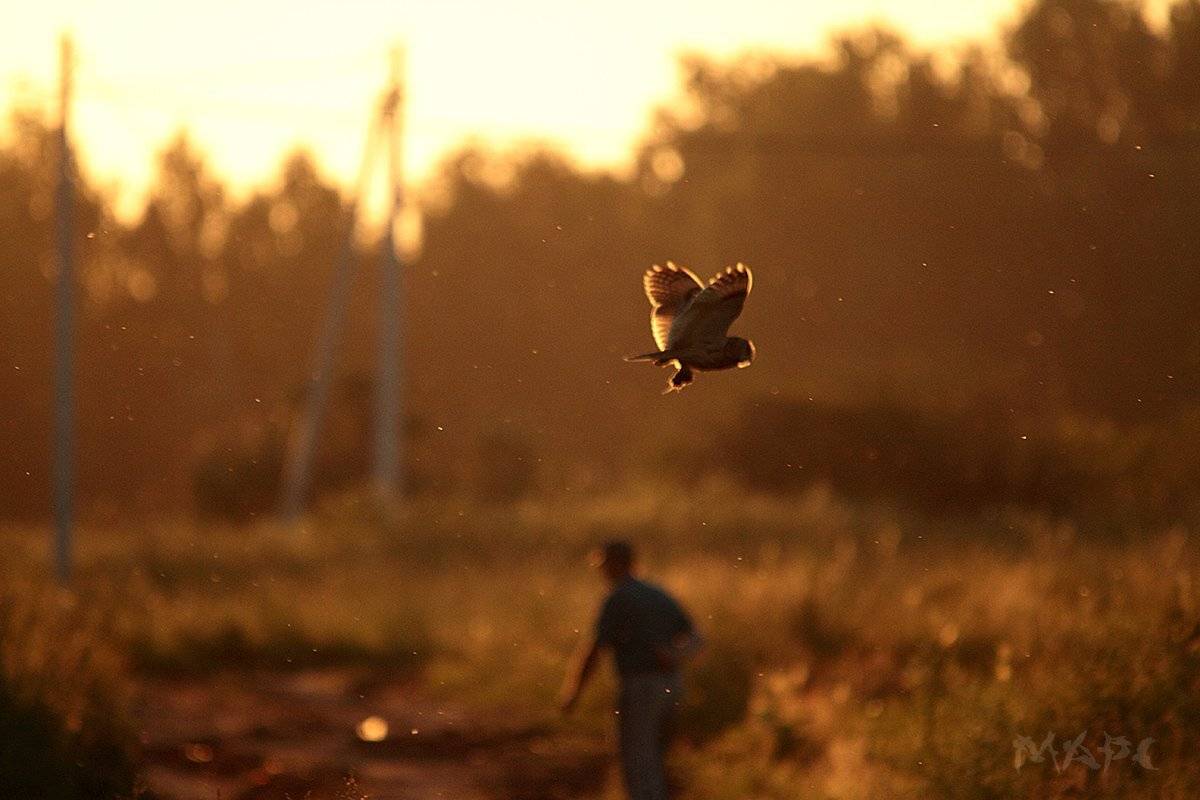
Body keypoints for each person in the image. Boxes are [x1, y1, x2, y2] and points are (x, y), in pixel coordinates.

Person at [559, 540, 703, 800]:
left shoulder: (617, 598)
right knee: (657, 757)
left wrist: (573, 692)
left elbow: (595, 650)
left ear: (614, 564)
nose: (600, 571)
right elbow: (696, 638)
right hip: (671, 684)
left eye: (603, 565)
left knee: (639, 760)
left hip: (641, 686)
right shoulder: (658, 593)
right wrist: (674, 656)